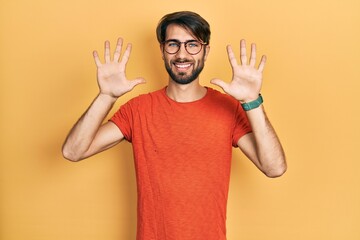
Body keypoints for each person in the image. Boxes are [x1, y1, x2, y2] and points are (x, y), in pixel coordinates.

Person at [62, 11, 286, 240]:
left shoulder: (227, 109)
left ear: (206, 51)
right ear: (162, 50)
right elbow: (73, 151)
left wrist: (251, 101)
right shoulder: (138, 110)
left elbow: (274, 168)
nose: (182, 54)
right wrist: (106, 96)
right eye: (173, 44)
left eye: (192, 45)